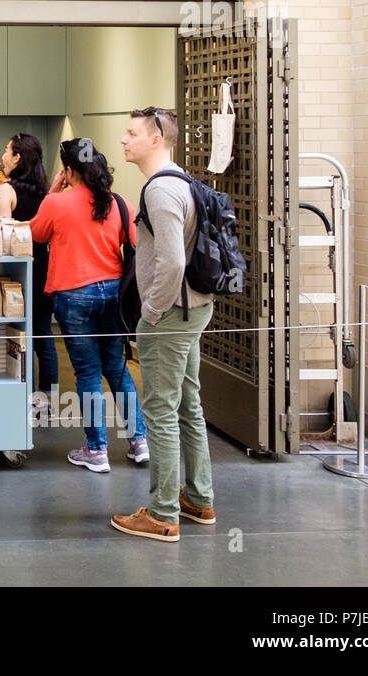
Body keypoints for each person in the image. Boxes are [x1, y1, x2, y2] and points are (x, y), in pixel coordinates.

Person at [112, 107, 216, 543]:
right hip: (193, 308)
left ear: (156, 139)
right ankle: (198, 497)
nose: (123, 139)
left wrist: (151, 313)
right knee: (187, 404)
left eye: (132, 133)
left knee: (159, 411)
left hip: (170, 315)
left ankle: (162, 514)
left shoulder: (160, 191)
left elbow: (171, 259)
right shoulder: (182, 181)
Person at [29, 137, 147, 474]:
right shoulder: (119, 203)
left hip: (73, 295)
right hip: (113, 295)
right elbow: (136, 242)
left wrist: (53, 191)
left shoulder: (57, 203)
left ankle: (97, 449)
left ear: (68, 171)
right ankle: (139, 441)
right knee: (116, 367)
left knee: (86, 373)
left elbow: (36, 234)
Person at [0, 133, 58, 413]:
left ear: (18, 157)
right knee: (44, 334)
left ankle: (27, 395)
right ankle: (49, 398)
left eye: (7, 151)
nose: (3, 156)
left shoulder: (6, 191)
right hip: (46, 268)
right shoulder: (46, 194)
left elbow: (6, 239)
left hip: (19, 271)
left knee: (22, 335)